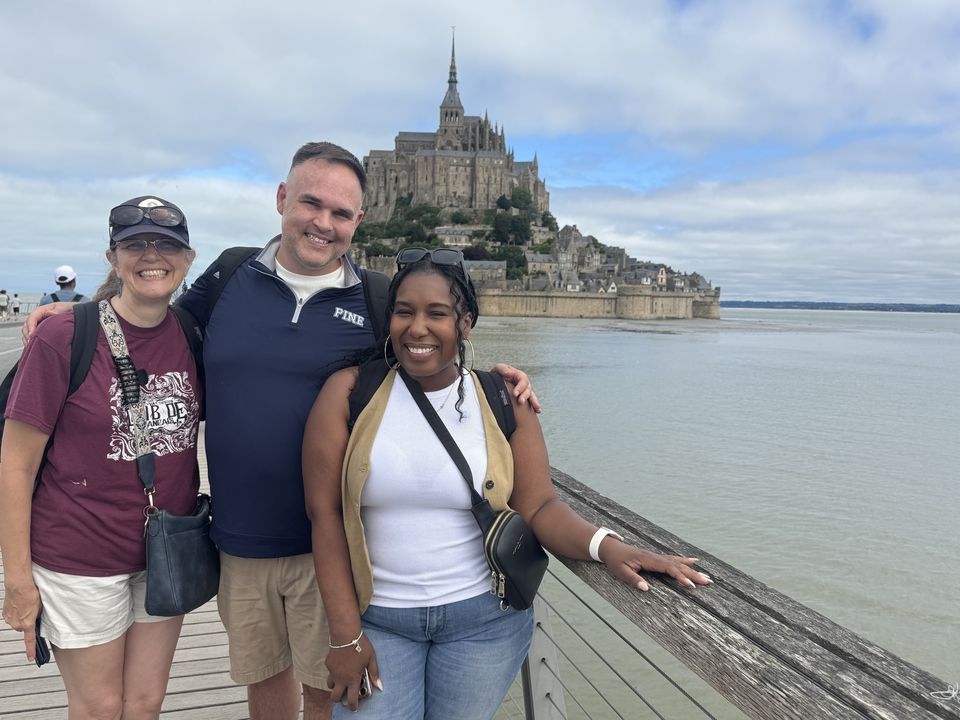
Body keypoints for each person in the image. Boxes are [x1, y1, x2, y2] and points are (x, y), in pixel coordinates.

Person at [25, 141, 539, 720]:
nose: (323, 223)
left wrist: (494, 379)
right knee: (265, 687)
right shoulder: (227, 277)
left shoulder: (373, 299)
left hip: (337, 544)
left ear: (358, 222)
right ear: (281, 200)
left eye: (341, 213)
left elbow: (427, 355)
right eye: (310, 204)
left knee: (326, 691)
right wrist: (80, 311)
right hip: (239, 540)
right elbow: (150, 314)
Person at [302, 249, 712, 719]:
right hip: (380, 623)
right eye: (404, 312)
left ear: (466, 324)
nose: (417, 328)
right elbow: (326, 514)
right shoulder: (350, 392)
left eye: (438, 314)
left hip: (483, 625)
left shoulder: (504, 401)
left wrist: (608, 546)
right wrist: (344, 634)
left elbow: (538, 507)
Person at [0, 196, 201, 719]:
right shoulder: (64, 336)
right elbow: (16, 464)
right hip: (79, 559)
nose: (151, 255)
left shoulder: (193, 333)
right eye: (135, 244)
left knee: (145, 703)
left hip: (164, 552)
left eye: (166, 245)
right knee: (98, 707)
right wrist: (18, 581)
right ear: (113, 258)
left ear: (189, 258)